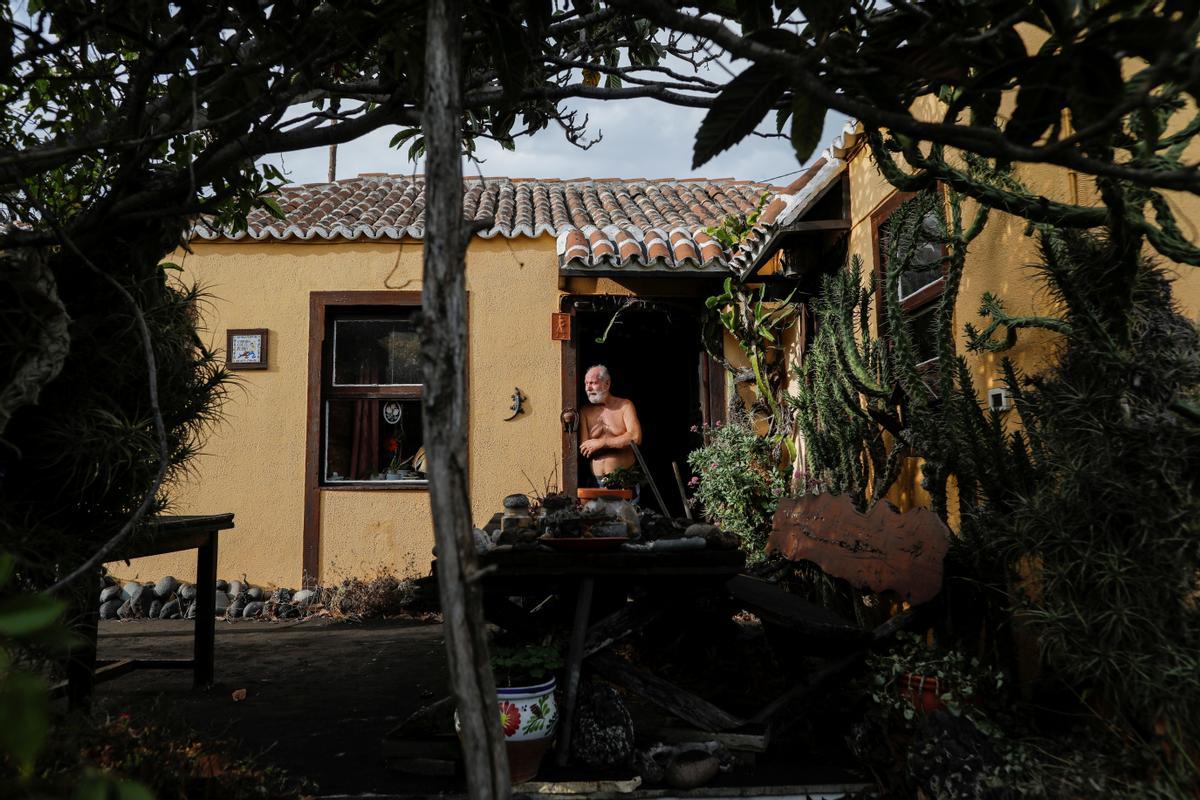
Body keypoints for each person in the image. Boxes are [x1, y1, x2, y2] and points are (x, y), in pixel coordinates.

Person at [579, 364, 642, 485]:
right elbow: (585, 448)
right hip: (595, 481)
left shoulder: (625, 406)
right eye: (586, 383)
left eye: (592, 383)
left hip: (624, 478)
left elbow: (635, 437)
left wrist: (602, 443)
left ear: (606, 384)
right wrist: (621, 440)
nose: (588, 388)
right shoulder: (585, 411)